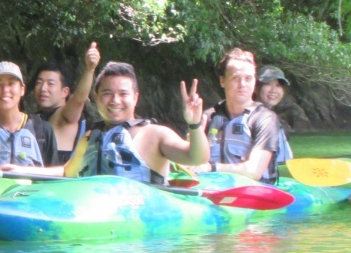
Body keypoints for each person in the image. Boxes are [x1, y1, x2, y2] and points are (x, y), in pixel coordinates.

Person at [64, 62, 209, 184]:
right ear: (96, 97)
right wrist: (40, 172)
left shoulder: (155, 134)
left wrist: (194, 125)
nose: (115, 100)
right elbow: (68, 173)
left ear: (135, 97)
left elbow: (196, 158)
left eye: (123, 94)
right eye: (107, 93)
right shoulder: (90, 137)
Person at [203, 49, 288, 183]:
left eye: (248, 78)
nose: (242, 84)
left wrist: (211, 167)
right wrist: (193, 125)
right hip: (211, 186)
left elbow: (254, 171)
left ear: (254, 82)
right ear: (222, 81)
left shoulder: (265, 119)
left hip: (252, 193)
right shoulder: (209, 116)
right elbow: (190, 160)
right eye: (235, 78)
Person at [29, 44, 100, 164]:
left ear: (65, 92)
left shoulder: (64, 115)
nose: (43, 88)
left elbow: (79, 99)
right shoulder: (35, 118)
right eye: (39, 83)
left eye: (50, 84)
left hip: (60, 180)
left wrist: (90, 69)